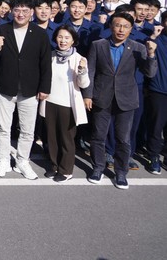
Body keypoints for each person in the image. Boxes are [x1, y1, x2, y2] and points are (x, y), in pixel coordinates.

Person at [86, 12, 157, 189]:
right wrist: (87, 95)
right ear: (111, 26)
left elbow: (149, 73)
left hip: (126, 98)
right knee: (98, 136)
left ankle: (121, 172)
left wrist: (151, 54)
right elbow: (90, 71)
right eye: (118, 25)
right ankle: (98, 168)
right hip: (101, 96)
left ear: (131, 29)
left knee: (123, 139)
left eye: (125, 26)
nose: (121, 29)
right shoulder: (98, 45)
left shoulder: (138, 47)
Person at [0, 0, 52, 180]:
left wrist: (44, 88)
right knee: (3, 128)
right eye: (17, 10)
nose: (21, 14)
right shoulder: (1, 30)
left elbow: (45, 63)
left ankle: (22, 161)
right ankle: (3, 160)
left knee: (27, 130)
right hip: (6, 87)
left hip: (30, 89)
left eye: (25, 10)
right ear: (11, 11)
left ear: (31, 12)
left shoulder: (39, 34)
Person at [40, 25, 90, 183]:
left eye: (67, 38)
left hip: (68, 105)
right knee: (51, 137)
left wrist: (82, 70)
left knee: (66, 138)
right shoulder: (51, 56)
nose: (63, 41)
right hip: (50, 102)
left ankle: (66, 170)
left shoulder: (78, 58)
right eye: (60, 37)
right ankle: (54, 165)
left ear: (73, 40)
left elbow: (84, 84)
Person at [146, 18, 167, 174]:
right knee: (156, 126)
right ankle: (153, 157)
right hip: (159, 90)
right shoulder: (157, 40)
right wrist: (153, 36)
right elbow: (146, 50)